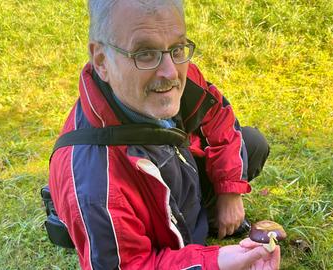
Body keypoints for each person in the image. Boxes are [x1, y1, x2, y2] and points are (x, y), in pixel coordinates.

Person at [48, 0, 280, 269]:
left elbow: (220, 118)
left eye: (177, 48)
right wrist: (215, 261)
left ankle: (206, 223)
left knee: (251, 144)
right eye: (145, 53)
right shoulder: (97, 187)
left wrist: (229, 191)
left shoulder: (175, 75)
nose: (171, 73)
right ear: (101, 61)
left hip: (174, 175)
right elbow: (132, 265)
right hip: (135, 211)